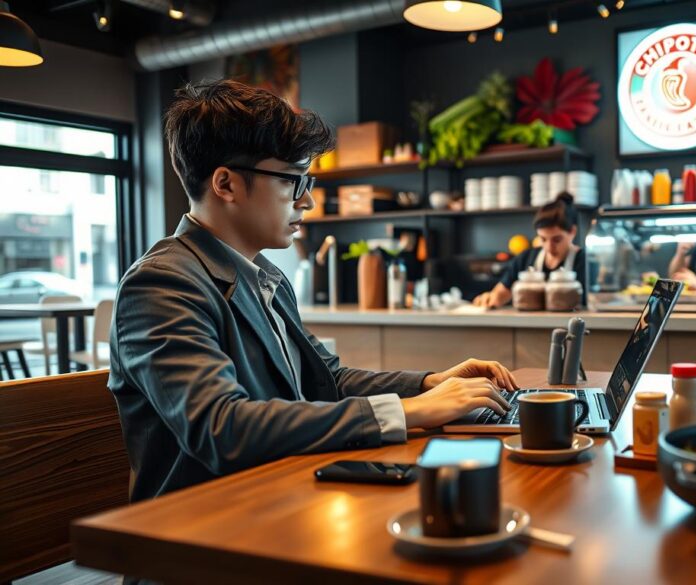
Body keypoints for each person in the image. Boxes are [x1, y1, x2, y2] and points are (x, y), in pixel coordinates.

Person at [108, 80, 515, 502]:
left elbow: (327, 381)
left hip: (281, 495)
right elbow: (221, 427)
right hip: (206, 529)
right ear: (226, 184)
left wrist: (430, 384)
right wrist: (408, 411)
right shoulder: (160, 284)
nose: (308, 202)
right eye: (292, 181)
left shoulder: (266, 278)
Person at [473, 193, 587, 308]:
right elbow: (499, 294)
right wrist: (490, 298)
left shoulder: (586, 262)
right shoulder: (525, 258)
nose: (548, 247)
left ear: (572, 232)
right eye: (543, 239)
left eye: (556, 240)